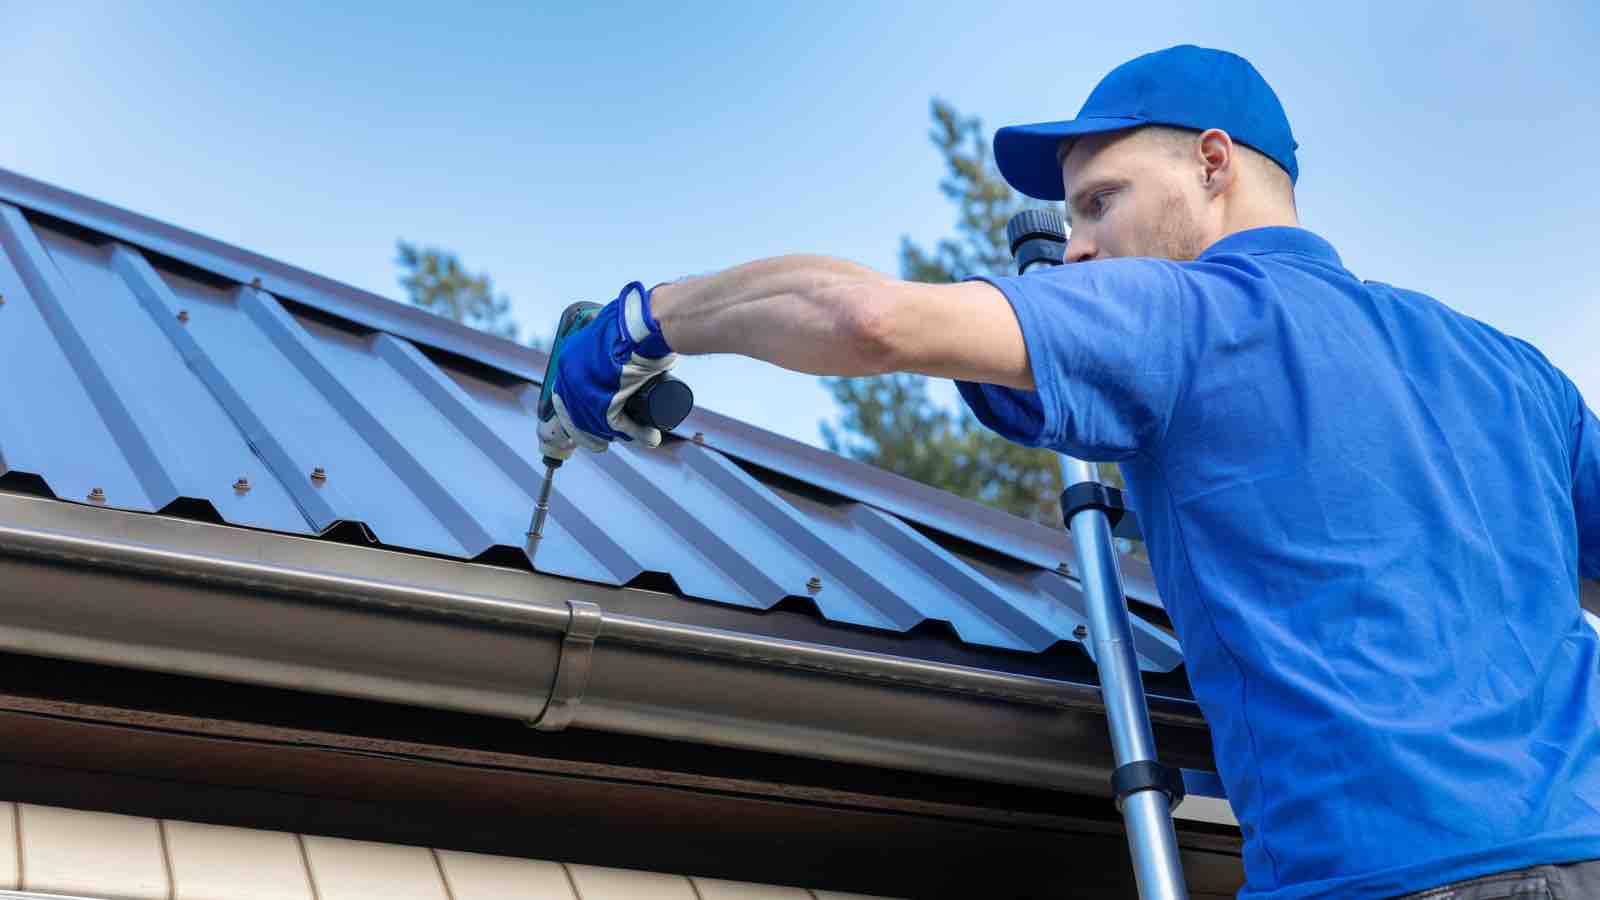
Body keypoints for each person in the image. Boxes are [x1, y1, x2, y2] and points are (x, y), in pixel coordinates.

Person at [538, 45, 1600, 900]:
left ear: (1213, 164)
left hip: (1375, 876)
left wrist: (645, 320)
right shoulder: (1509, 371)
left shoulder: (1184, 315)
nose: (1080, 248)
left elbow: (864, 318)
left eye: (1099, 202)